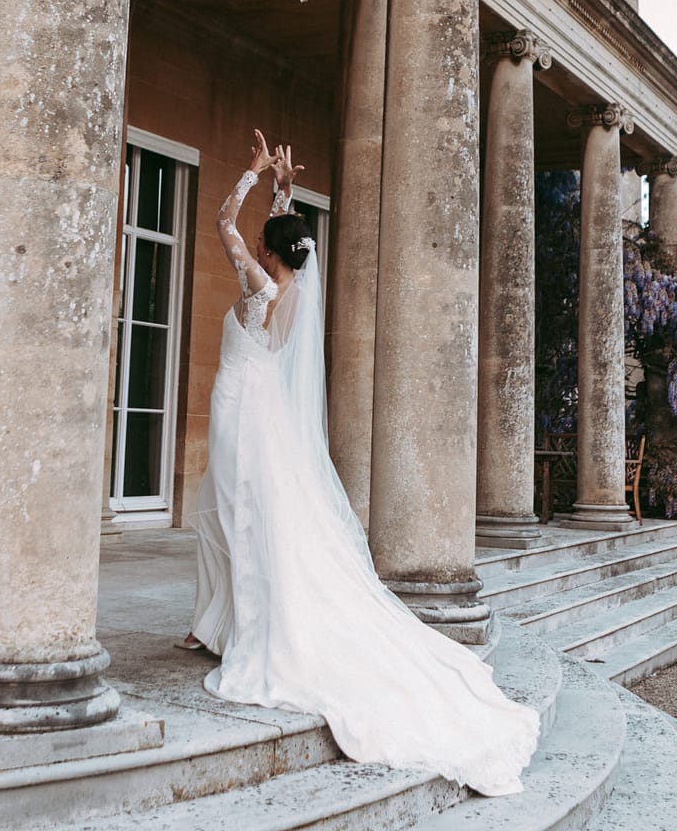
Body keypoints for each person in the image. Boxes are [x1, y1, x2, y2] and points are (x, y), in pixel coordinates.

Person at [178, 129, 539, 797]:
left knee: (235, 514)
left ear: (267, 253)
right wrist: (284, 192)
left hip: (239, 410)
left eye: (264, 241)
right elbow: (270, 235)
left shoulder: (258, 285)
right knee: (238, 512)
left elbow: (223, 219)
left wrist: (254, 175)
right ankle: (214, 623)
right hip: (261, 416)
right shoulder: (289, 289)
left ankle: (237, 627)